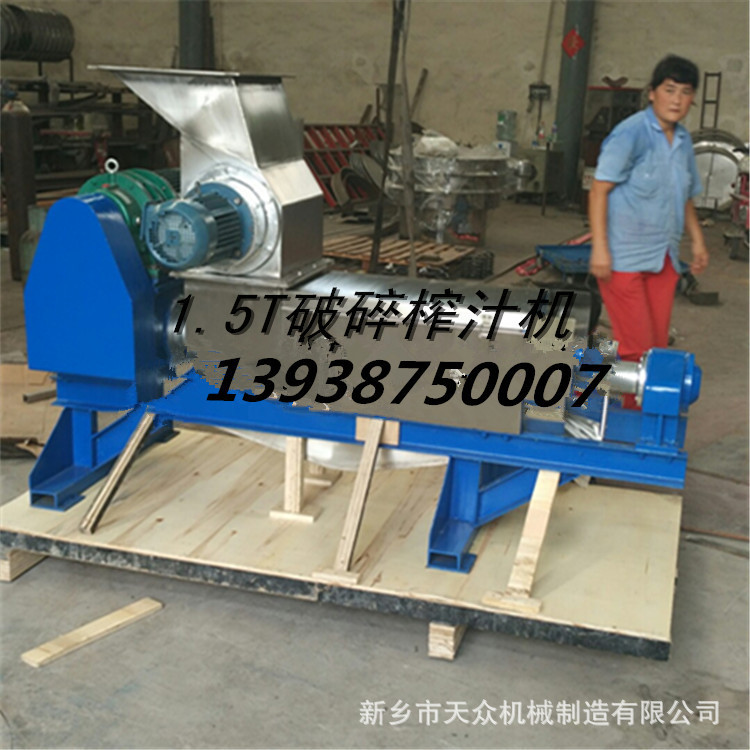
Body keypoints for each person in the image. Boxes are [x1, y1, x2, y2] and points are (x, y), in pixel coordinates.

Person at [588, 55, 709, 383]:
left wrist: (698, 241)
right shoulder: (630, 134)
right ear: (652, 93)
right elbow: (598, 191)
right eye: (669, 90)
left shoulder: (683, 141)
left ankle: (638, 409)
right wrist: (600, 249)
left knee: (655, 350)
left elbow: (685, 194)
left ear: (692, 99)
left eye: (685, 92)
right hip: (622, 260)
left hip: (663, 257)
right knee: (636, 351)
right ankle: (623, 410)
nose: (677, 99)